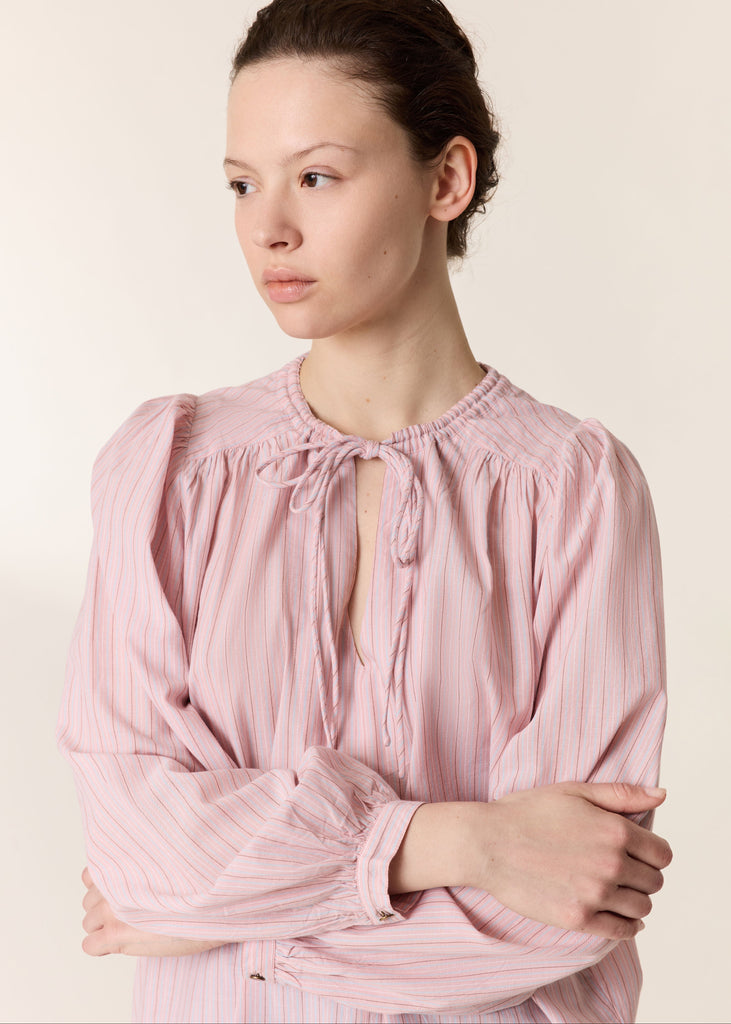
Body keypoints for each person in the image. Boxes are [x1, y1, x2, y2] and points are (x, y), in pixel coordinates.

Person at [57, 1, 672, 1021]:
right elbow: (132, 844)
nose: (269, 227)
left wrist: (233, 926)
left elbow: (568, 895)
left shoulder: (574, 488)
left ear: (446, 179)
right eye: (242, 184)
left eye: (317, 175)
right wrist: (460, 841)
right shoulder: (168, 472)